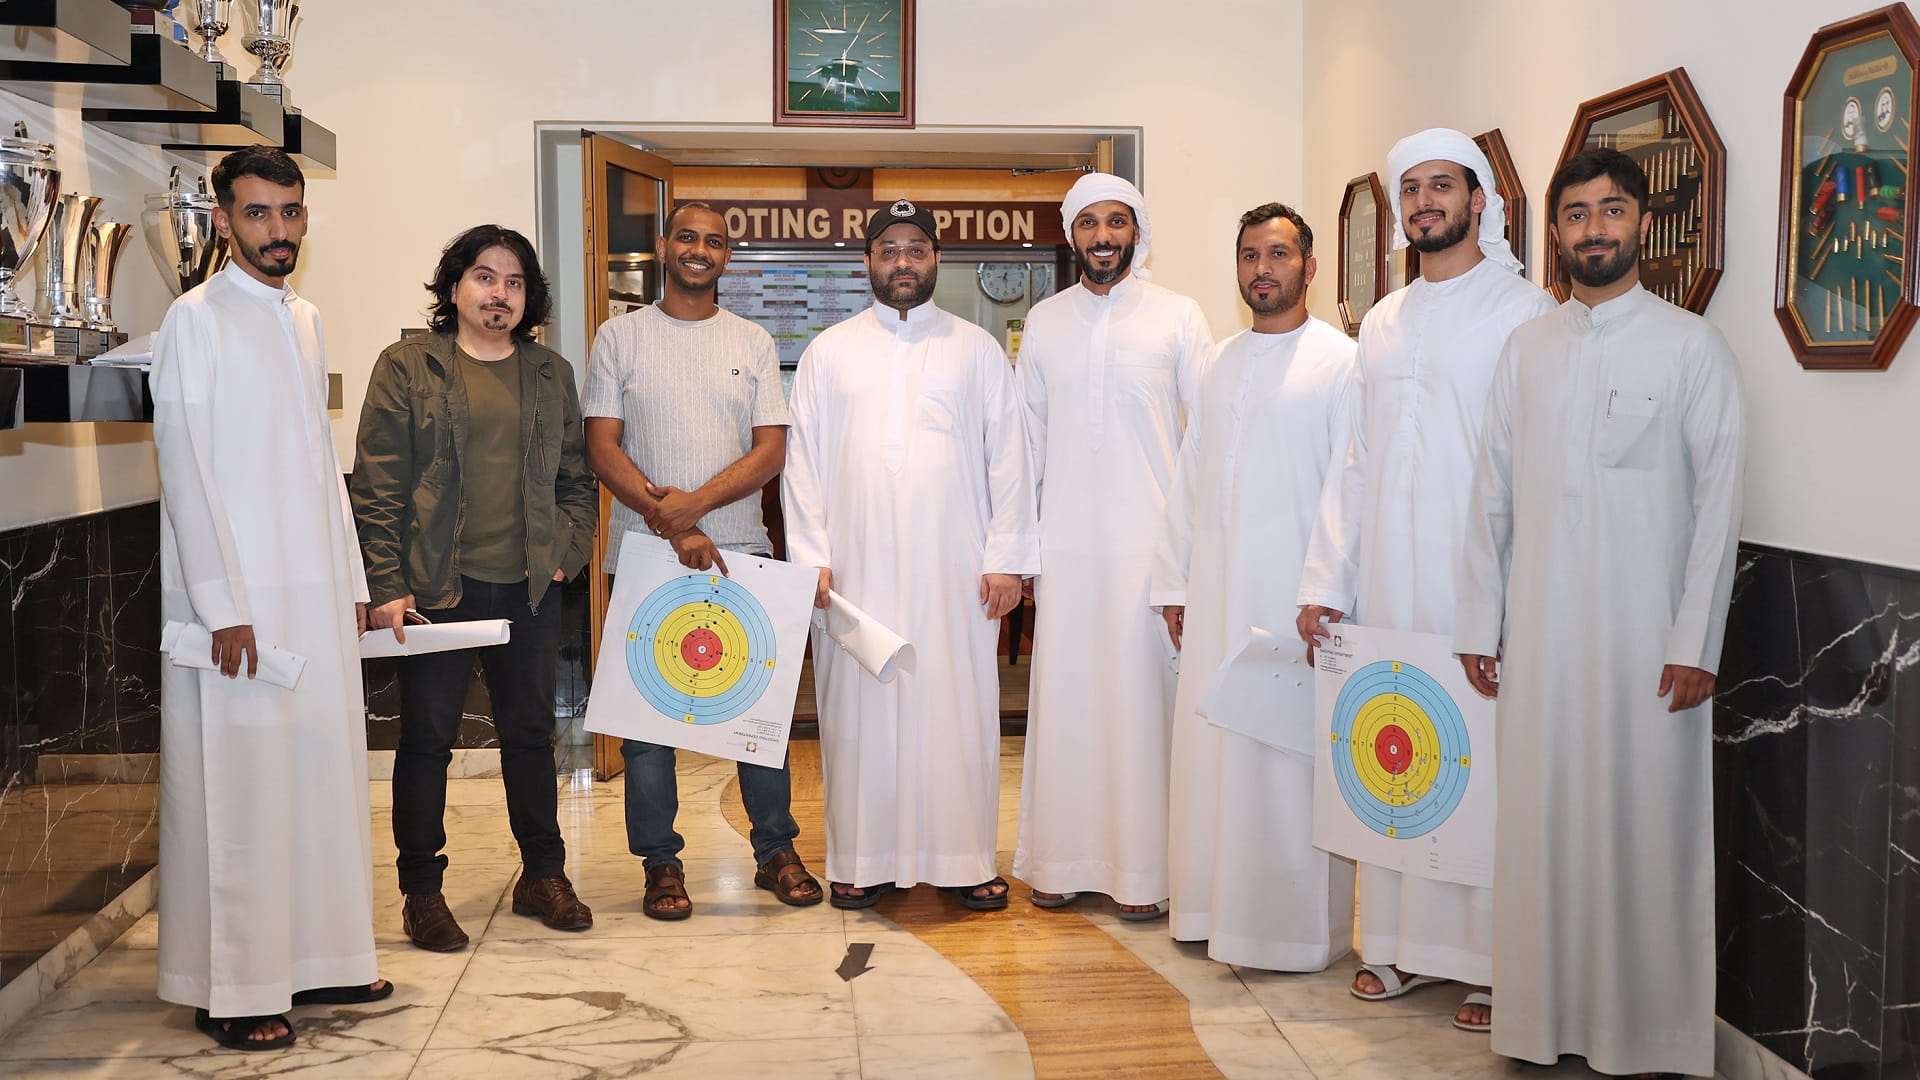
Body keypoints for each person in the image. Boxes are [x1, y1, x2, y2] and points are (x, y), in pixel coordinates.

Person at [1455, 147, 1743, 1079]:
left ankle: (1649, 1038)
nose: (1593, 231)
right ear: (1557, 233)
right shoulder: (1528, 348)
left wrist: (1696, 639)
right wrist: (1478, 623)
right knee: (1541, 832)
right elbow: (1490, 496)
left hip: (1648, 648)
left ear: (1644, 223)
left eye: (1611, 211)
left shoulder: (1691, 347)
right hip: (1538, 642)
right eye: (1575, 215)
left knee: (1643, 834)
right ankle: (1541, 1023)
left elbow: (1719, 506)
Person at [1294, 127, 1556, 1031]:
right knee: (1393, 754)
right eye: (1412, 192)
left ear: (1479, 199)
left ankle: (1488, 962)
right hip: (1387, 589)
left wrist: (1511, 599)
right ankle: (1396, 948)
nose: (1423, 205)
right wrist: (1324, 579)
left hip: (1476, 586)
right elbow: (1355, 461)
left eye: (1441, 187)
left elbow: (1533, 465)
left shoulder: (1525, 311)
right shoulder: (1385, 319)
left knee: (1475, 764)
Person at [153, 145, 389, 1051]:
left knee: (318, 776)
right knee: (241, 789)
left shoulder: (305, 319)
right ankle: (238, 987)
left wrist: (356, 587)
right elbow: (186, 466)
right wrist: (222, 606)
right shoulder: (194, 319)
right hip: (239, 600)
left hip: (314, 589)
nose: (279, 231)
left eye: (291, 213)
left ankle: (323, 958)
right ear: (223, 221)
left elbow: (317, 465)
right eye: (258, 214)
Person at [781, 199, 1040, 912]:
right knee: (856, 713)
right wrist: (811, 556)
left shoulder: (976, 349)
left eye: (916, 248)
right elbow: (800, 462)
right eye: (889, 249)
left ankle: (961, 860)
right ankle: (861, 862)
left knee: (955, 709)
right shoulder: (829, 351)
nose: (902, 260)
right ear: (866, 262)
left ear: (935, 259)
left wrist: (1007, 558)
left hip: (956, 571)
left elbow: (1009, 461)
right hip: (853, 574)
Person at [351, 225, 598, 950]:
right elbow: (379, 484)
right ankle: (421, 893)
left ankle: (543, 875)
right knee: (427, 742)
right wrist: (387, 582)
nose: (499, 293)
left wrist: (567, 554)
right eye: (485, 277)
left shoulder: (550, 373)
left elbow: (576, 483)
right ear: (455, 287)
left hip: (528, 591)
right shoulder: (407, 366)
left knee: (531, 736)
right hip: (434, 592)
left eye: (515, 282)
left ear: (529, 298)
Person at [583, 200, 822, 920]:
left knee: (756, 717)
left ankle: (774, 849)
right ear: (664, 248)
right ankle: (661, 863)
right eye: (687, 237)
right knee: (650, 723)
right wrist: (669, 520)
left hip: (741, 552)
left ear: (726, 257)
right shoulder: (618, 336)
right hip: (645, 554)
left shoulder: (751, 339)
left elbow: (770, 451)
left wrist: (696, 508)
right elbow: (601, 445)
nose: (699, 250)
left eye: (714, 242)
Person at [1153, 202, 1357, 968]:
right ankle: (1212, 911)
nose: (1261, 269)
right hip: (1216, 598)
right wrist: (1175, 581)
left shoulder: (1340, 361)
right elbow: (1190, 477)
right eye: (1247, 256)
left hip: (1296, 605)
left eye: (1277, 254)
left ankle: (1295, 933)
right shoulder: (1222, 360)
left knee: (1286, 765)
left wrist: (1326, 586)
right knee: (1215, 752)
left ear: (1310, 266)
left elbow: (1349, 484)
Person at [1013, 173, 1211, 919]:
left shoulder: (1179, 318)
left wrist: (1190, 560)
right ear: (1073, 236)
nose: (1102, 237)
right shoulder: (1046, 321)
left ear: (1137, 231)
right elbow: (1024, 447)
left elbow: (1206, 442)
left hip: (1149, 555)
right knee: (1065, 703)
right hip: (1064, 549)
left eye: (1116, 222)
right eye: (1089, 224)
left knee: (1144, 709)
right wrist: (1024, 552)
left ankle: (1143, 876)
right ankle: (1060, 863)